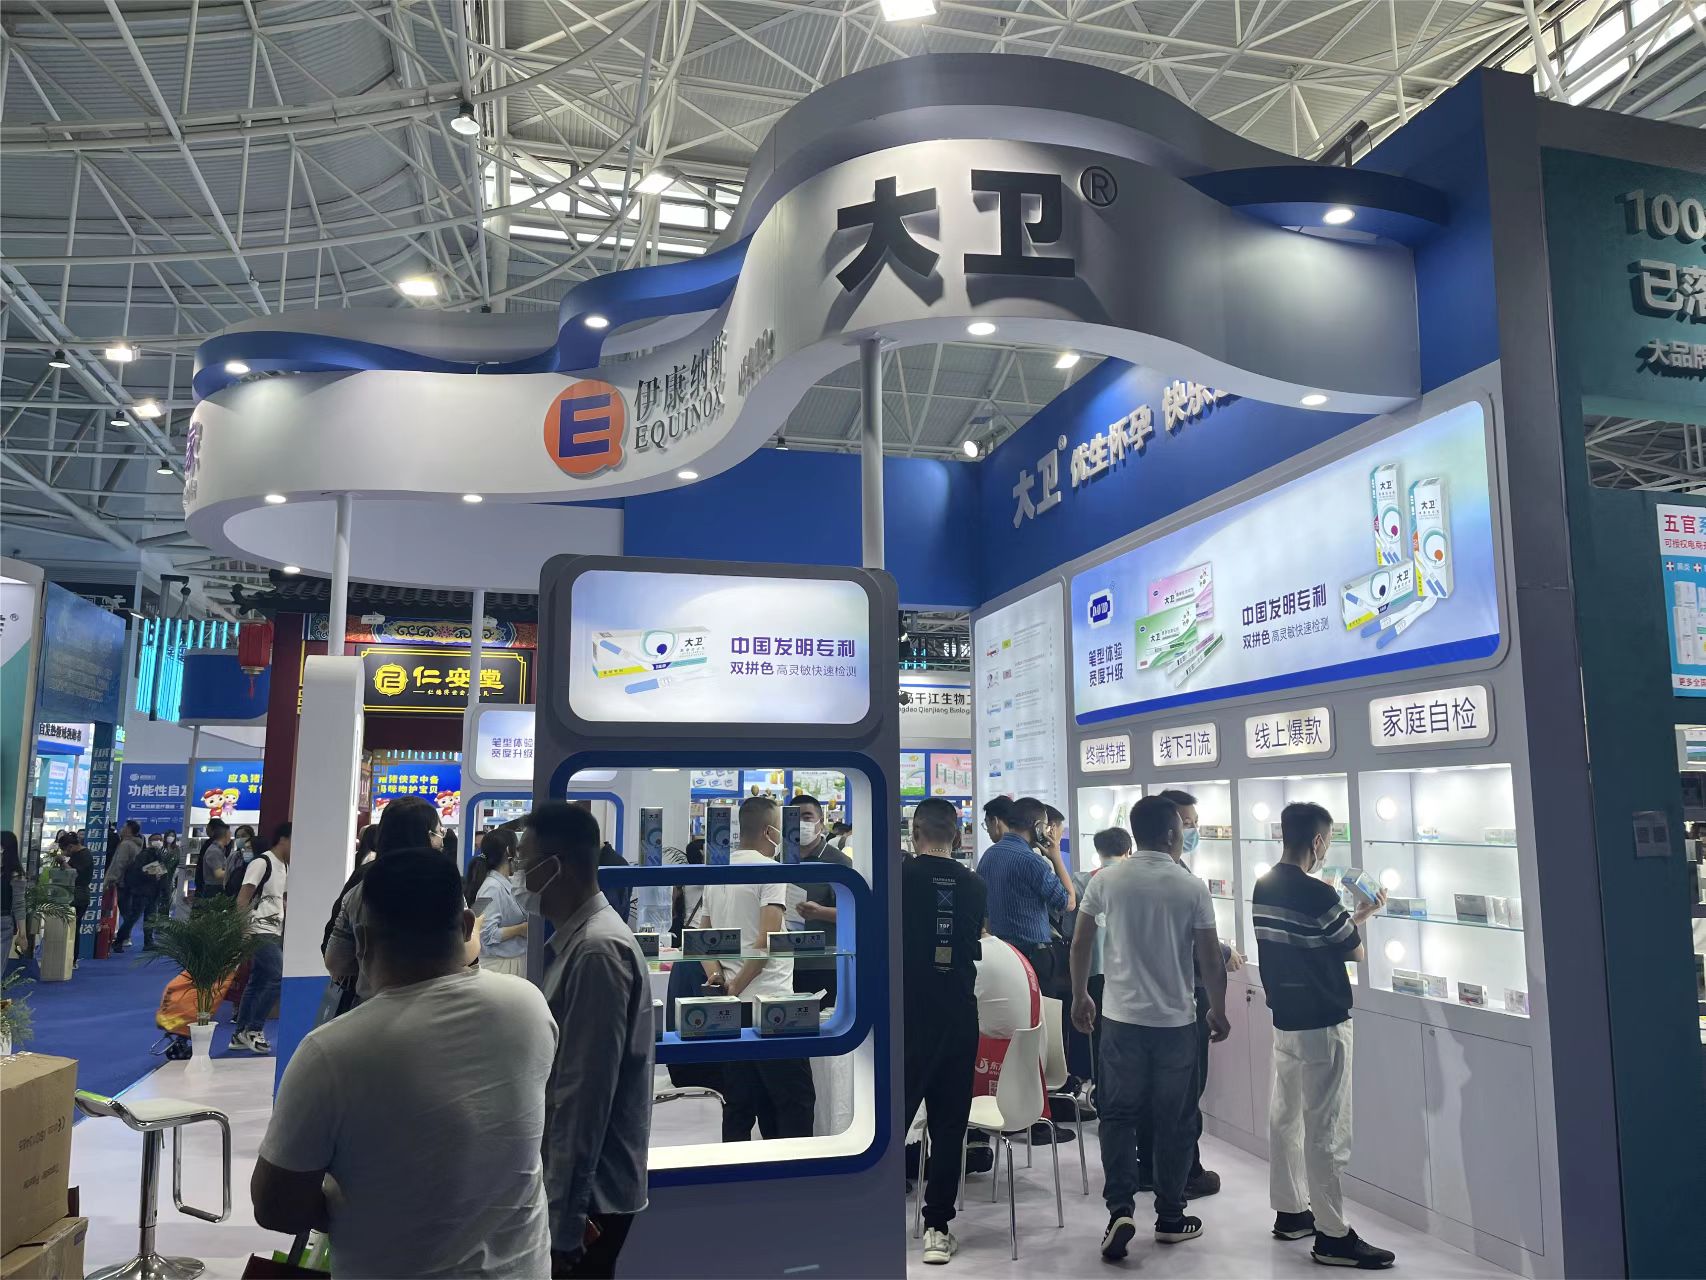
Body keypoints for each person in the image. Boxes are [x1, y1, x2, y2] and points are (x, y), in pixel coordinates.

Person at [253, 850, 557, 1278]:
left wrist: (366, 1210)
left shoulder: (332, 1052)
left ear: (362, 941)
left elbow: (276, 1207)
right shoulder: (528, 1007)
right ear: (466, 926)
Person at [1070, 795, 1228, 1258]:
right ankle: (1171, 1216)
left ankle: (1120, 1209)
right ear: (1172, 833)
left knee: (1118, 1117)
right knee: (1174, 1120)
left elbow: (1081, 943)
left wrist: (1081, 995)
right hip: (1176, 1023)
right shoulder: (1191, 887)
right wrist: (1218, 1009)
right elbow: (1210, 957)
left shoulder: (1107, 880)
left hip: (1121, 1021)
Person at [1253, 802, 1395, 1269]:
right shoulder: (1318, 893)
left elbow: (1309, 938)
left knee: (1286, 1117)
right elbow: (1353, 951)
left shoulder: (1265, 884)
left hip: (1286, 1019)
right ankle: (1333, 1235)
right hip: (1323, 1022)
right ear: (1317, 841)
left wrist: (1354, 916)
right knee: (1327, 1130)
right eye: (1328, 841)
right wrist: (1362, 917)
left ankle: (1292, 1211)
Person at [517, 802, 653, 1278]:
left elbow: (584, 1094)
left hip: (591, 1198)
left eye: (525, 862)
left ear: (559, 867)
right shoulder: (582, 943)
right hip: (583, 1190)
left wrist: (564, 1218)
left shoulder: (598, 952)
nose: (519, 875)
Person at [901, 798, 987, 1266]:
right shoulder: (974, 884)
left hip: (908, 1017)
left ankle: (874, 1216)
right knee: (950, 1125)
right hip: (958, 1017)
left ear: (915, 832)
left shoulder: (899, 877)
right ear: (956, 835)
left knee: (894, 1119)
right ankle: (937, 1227)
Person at [701, 795, 815, 1140]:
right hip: (773, 1004)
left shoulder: (717, 871)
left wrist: (720, 980)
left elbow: (703, 940)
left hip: (733, 1007)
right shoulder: (771, 871)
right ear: (769, 831)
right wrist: (736, 986)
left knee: (741, 1102)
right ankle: (793, 1170)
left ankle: (737, 1170)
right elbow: (766, 942)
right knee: (794, 1102)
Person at [1136, 788, 1230, 1200]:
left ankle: (1147, 1168)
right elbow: (1197, 948)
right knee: (1184, 1093)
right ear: (1170, 826)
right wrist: (1223, 955)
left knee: (1150, 1092)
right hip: (1183, 1001)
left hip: (1139, 1004)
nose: (1192, 831)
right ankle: (1185, 1174)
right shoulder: (1184, 881)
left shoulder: (1128, 876)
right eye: (1188, 823)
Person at [325, 796, 445, 1000]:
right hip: (430, 1003)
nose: (441, 840)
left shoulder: (361, 886)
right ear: (426, 836)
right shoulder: (443, 884)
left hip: (371, 1002)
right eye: (440, 832)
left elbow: (335, 959)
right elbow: (463, 951)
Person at [977, 795, 1073, 995]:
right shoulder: (1032, 861)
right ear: (1037, 827)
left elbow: (984, 912)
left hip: (1001, 955)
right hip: (1034, 957)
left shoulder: (988, 856)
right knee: (1040, 1010)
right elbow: (1068, 902)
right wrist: (1056, 857)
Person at [1072, 827, 1133, 1090]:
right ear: (1129, 850)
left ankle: (1101, 1090)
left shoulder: (1083, 881)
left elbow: (1076, 935)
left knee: (1098, 1034)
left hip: (1093, 968)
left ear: (1098, 851)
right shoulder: (1135, 880)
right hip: (1127, 971)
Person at [230, 823, 291, 1054]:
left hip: (275, 930)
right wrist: (244, 929)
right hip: (258, 929)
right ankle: (254, 1029)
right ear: (283, 839)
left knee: (257, 980)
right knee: (276, 976)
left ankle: (240, 1032)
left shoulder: (284, 866)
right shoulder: (262, 862)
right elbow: (243, 898)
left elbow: (279, 898)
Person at [792, 793, 851, 1006]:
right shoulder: (779, 859)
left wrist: (820, 912)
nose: (800, 824)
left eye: (807, 817)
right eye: (794, 818)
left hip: (824, 964)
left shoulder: (839, 863)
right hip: (784, 965)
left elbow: (855, 914)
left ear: (821, 821)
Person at [469, 831, 527, 977]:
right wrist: (520, 929)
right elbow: (486, 935)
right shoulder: (491, 888)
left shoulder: (503, 883)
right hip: (500, 968)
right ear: (509, 850)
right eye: (517, 849)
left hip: (509, 964)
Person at [114, 829, 172, 952]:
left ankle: (148, 942)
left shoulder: (161, 855)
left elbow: (163, 874)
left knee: (150, 918)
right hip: (141, 892)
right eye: (155, 839)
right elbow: (136, 873)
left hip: (153, 892)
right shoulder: (144, 855)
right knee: (133, 917)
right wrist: (152, 875)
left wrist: (165, 890)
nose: (158, 841)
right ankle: (119, 940)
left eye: (159, 839)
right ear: (150, 842)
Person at [670, 838, 706, 943]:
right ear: (702, 854)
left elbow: (673, 909)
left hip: (689, 926)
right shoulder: (709, 879)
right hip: (702, 926)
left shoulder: (683, 879)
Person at [195, 819, 236, 897]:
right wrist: (234, 872)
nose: (230, 836)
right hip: (213, 890)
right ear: (225, 835)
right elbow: (219, 874)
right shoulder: (214, 851)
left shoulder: (220, 849)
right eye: (229, 833)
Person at [1, 832, 24, 966]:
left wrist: (23, 934)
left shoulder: (14, 874)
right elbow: (19, 904)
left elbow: (19, 904)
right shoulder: (16, 874)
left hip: (3, 921)